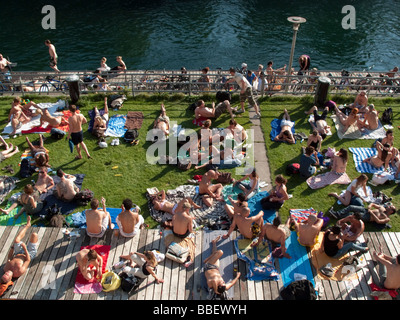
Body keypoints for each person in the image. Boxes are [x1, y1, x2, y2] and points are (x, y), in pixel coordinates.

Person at [1, 216, 38, 281]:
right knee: (34, 235)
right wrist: (25, 248)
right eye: (7, 275)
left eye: (4, 274)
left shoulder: (6, 268)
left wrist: (12, 248)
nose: (6, 273)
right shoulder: (19, 272)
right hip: (29, 254)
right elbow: (28, 260)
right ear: (10, 278)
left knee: (16, 240)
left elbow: (9, 257)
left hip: (18, 253)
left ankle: (27, 225)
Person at [328, 202, 396, 227]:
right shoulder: (382, 208)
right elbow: (373, 204)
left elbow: (378, 221)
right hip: (366, 210)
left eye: (390, 207)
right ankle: (337, 214)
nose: (388, 206)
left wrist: (372, 213)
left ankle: (335, 215)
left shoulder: (387, 218)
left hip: (368, 217)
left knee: (352, 215)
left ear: (391, 211)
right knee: (351, 207)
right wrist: (370, 206)